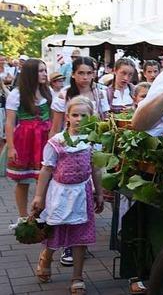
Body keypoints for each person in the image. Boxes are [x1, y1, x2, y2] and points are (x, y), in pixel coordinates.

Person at [31, 96, 104, 294]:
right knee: (54, 230)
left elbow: (96, 168)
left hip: (82, 193)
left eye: (84, 115)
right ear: (67, 117)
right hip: (60, 194)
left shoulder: (93, 141)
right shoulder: (57, 142)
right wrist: (39, 196)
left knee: (80, 236)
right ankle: (46, 257)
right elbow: (46, 170)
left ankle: (77, 276)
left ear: (91, 118)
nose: (79, 119)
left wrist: (99, 192)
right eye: (75, 115)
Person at [5, 59, 52, 221]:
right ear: (31, 73)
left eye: (45, 70)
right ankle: (23, 217)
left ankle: (40, 215)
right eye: (40, 71)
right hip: (25, 140)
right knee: (23, 180)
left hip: (45, 139)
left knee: (45, 178)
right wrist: (11, 147)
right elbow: (10, 123)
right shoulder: (17, 94)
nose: (45, 74)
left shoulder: (48, 92)